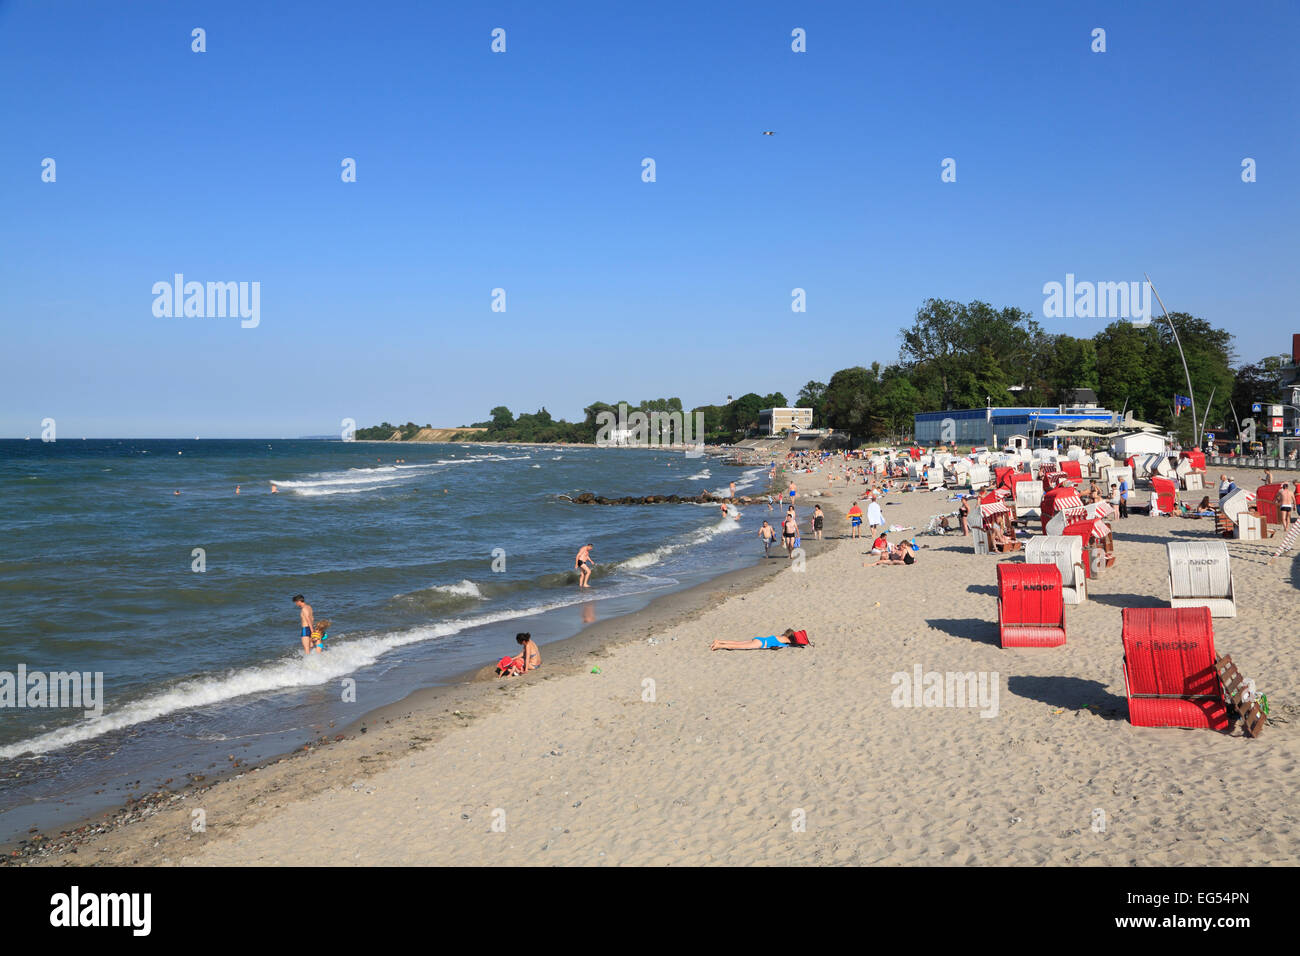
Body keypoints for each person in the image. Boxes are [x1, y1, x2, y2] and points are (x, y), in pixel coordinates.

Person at [710, 628, 806, 651]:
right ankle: (719, 646)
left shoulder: (781, 637)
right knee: (738, 646)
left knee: (738, 642)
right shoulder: (786, 642)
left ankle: (719, 641)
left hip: (760, 639)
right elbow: (792, 644)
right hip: (760, 643)